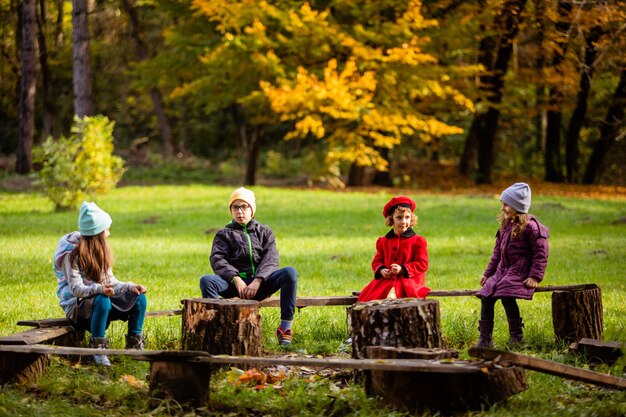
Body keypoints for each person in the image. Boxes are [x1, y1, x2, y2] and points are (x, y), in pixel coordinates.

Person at [199, 187, 298, 346]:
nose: (240, 211)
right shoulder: (224, 234)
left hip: (260, 284)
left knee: (290, 273)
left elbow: (271, 259)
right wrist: (235, 279)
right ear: (230, 210)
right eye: (235, 207)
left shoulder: (264, 232)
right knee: (207, 281)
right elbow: (218, 259)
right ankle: (217, 330)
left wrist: (258, 280)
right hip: (234, 285)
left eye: (244, 206)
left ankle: (285, 328)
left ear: (252, 210)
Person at [54, 202, 148, 366]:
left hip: (98, 302)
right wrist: (100, 289)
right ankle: (98, 349)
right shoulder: (71, 254)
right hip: (77, 307)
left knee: (139, 298)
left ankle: (134, 345)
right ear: (97, 233)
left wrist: (129, 287)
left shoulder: (100, 251)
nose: (109, 233)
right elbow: (76, 289)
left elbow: (109, 281)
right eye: (106, 229)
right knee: (102, 299)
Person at [475, 182, 549, 348]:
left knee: (507, 296)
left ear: (518, 205)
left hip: (520, 272)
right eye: (502, 204)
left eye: (506, 204)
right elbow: (496, 253)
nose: (503, 208)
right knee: (486, 296)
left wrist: (535, 276)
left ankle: (516, 337)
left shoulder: (532, 227)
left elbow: (541, 254)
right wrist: (488, 274)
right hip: (503, 272)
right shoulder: (505, 226)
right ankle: (485, 338)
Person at [357, 196, 430, 302]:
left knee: (394, 298)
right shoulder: (383, 241)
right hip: (386, 281)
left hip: (409, 281)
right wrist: (381, 270)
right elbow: (376, 262)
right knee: (368, 299)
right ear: (391, 219)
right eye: (399, 217)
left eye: (407, 217)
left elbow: (423, 263)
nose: (403, 221)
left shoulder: (418, 241)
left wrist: (403, 269)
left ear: (412, 218)